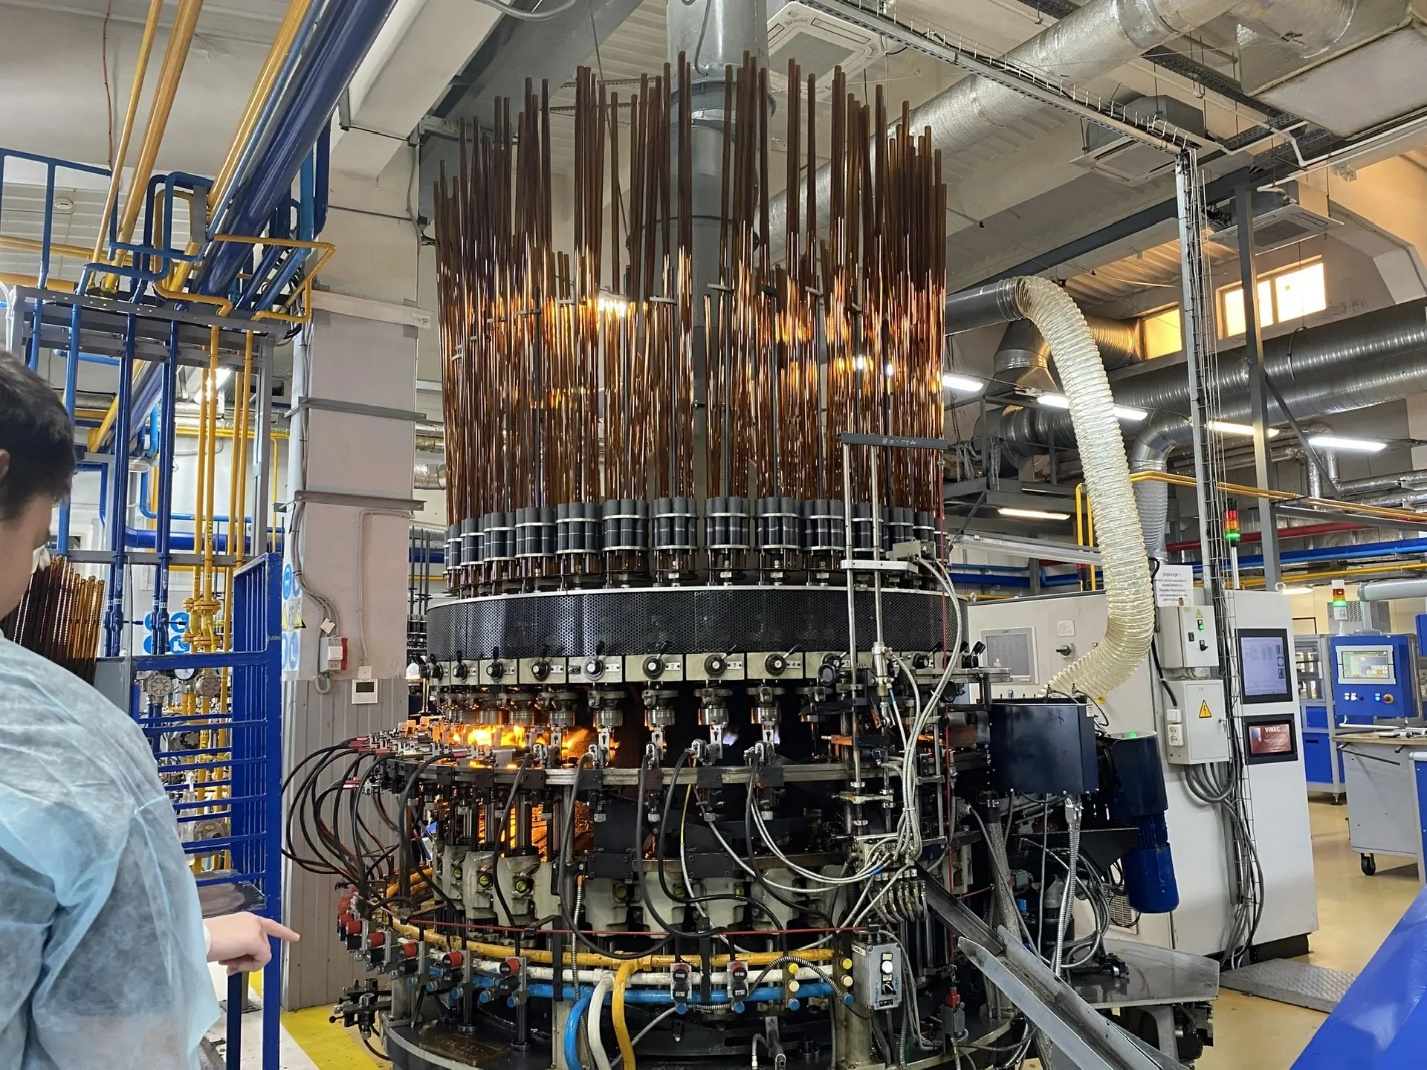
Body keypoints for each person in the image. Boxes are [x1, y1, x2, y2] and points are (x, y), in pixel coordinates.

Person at [0, 351, 298, 1068]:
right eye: (36, 543)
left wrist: (182, 939)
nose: (31, 575)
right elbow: (126, 1036)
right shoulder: (68, 749)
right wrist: (166, 949)